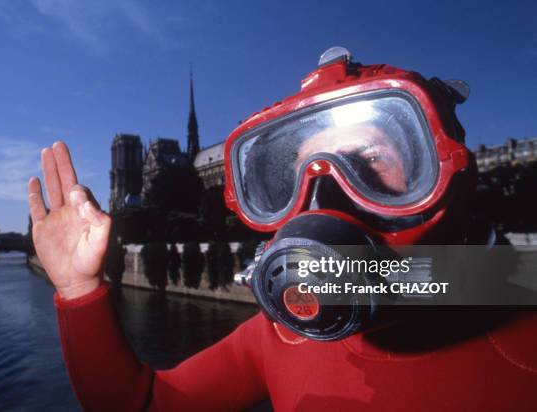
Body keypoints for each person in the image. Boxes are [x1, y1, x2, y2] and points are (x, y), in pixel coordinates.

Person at [28, 48, 537, 411]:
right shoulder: (282, 336)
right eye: (299, 172)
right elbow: (140, 403)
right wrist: (79, 290)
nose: (325, 194)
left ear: (445, 167)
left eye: (372, 159)